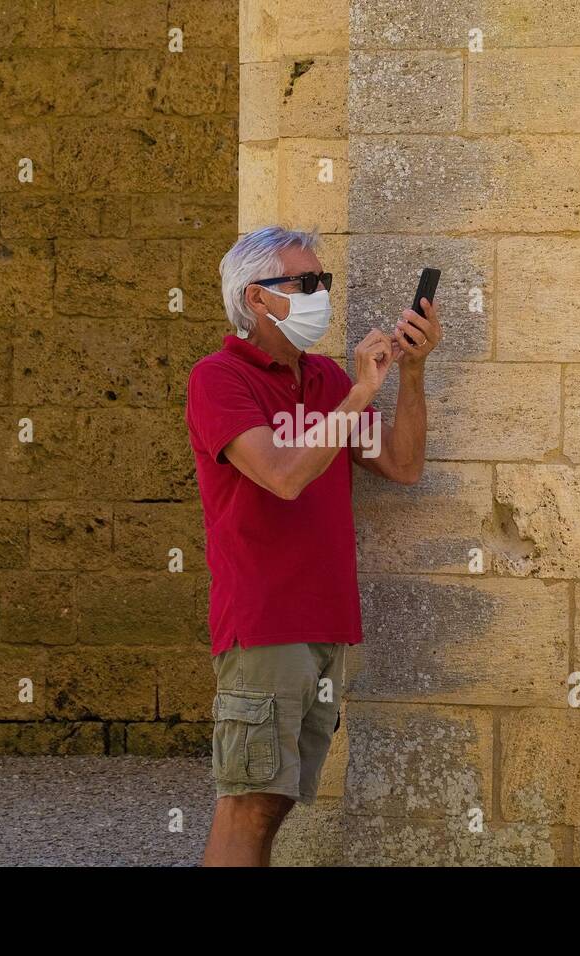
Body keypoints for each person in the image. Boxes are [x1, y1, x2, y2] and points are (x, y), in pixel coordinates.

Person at [185, 225, 441, 866]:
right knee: (249, 802)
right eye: (305, 283)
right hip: (265, 620)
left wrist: (410, 373)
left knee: (273, 802)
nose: (320, 294)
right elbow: (283, 474)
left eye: (322, 282)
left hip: (326, 623)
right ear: (256, 298)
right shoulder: (219, 379)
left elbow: (404, 464)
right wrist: (360, 394)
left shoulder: (326, 380)